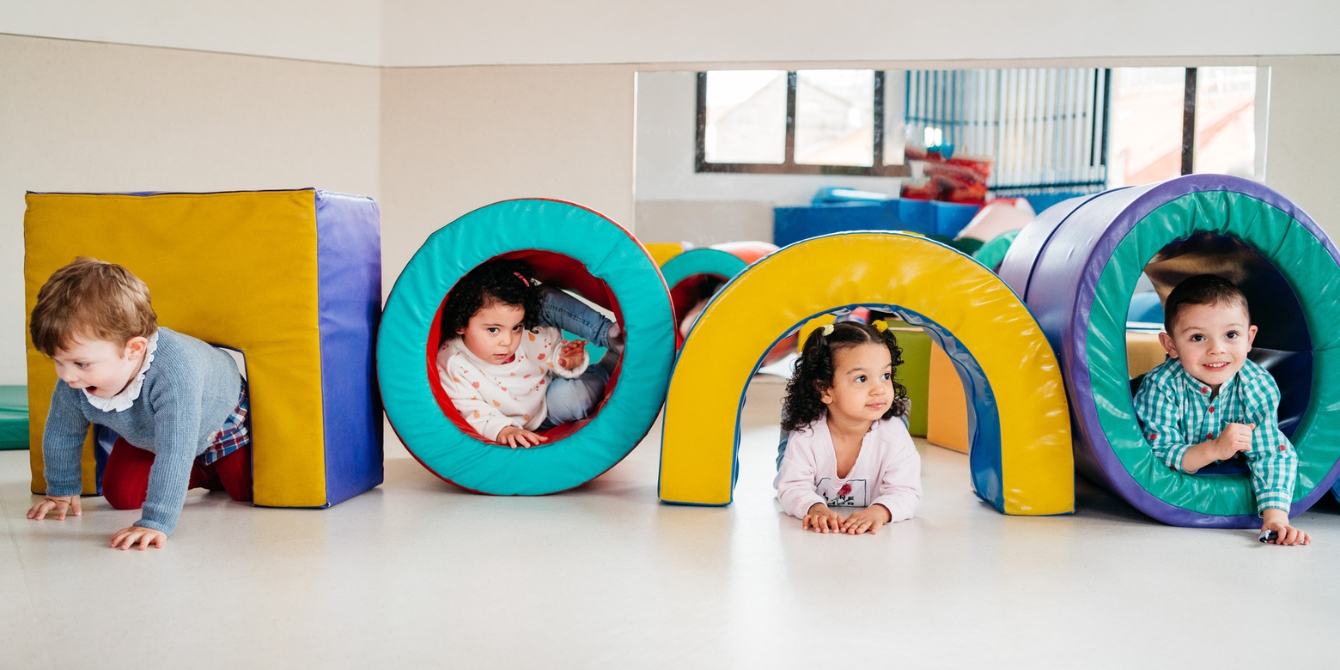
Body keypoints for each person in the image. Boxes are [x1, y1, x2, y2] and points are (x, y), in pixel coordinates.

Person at [26, 258, 252, 550]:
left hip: (220, 422)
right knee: (121, 495)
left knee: (244, 490)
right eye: (58, 361)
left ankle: (209, 469)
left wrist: (156, 522)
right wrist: (61, 488)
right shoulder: (77, 378)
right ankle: (198, 472)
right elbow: (62, 431)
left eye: (80, 363)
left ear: (133, 349)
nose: (67, 375)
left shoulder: (174, 373)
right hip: (152, 429)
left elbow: (175, 449)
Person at [1134, 274, 1308, 545]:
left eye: (1231, 335)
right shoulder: (1160, 385)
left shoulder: (1257, 386)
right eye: (1198, 337)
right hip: (1145, 404)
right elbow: (1158, 454)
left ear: (1250, 338)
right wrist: (1214, 449)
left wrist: (1276, 518)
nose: (1217, 349)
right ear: (1171, 345)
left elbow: (1271, 451)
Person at [437, 259, 622, 448]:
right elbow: (469, 409)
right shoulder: (453, 362)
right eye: (493, 330)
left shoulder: (528, 334)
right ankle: (609, 366)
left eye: (516, 327)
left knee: (573, 398)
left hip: (544, 403)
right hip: (512, 422)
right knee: (578, 400)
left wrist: (564, 360)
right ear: (461, 324)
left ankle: (610, 359)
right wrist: (504, 430)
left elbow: (548, 354)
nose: (508, 341)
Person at [774, 320, 921, 535]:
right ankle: (792, 413)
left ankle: (900, 408)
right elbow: (792, 486)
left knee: (896, 425)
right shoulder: (807, 434)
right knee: (791, 443)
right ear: (825, 389)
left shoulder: (894, 438)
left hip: (886, 435)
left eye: (886, 376)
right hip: (810, 424)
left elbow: (906, 491)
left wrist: (879, 511)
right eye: (861, 378)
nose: (879, 389)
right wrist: (814, 508)